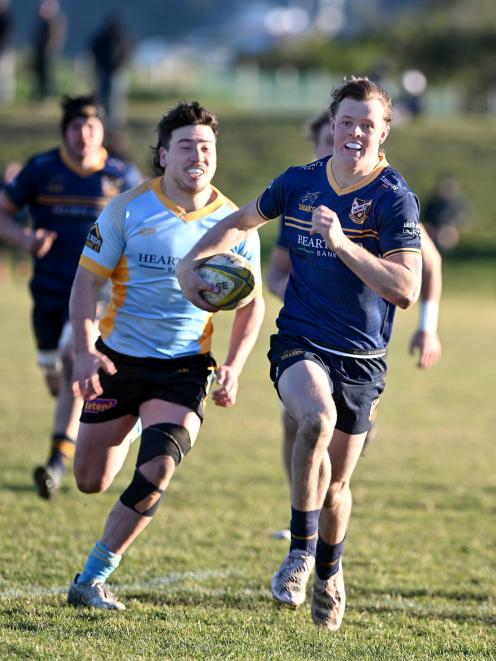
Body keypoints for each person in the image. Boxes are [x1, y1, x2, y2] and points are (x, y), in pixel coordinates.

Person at [177, 77, 422, 632]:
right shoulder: (297, 183)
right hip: (300, 342)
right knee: (315, 417)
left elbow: (405, 288)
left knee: (337, 485)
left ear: (383, 133)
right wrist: (190, 263)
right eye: (347, 121)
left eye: (368, 124)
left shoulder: (393, 198)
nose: (355, 132)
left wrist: (342, 244)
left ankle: (329, 572)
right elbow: (239, 222)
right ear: (331, 124)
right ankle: (299, 551)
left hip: (362, 357)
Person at [65, 100, 264, 610]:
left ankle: (93, 577)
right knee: (90, 481)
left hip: (184, 367)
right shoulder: (129, 208)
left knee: (159, 466)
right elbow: (86, 282)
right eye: (185, 146)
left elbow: (252, 306)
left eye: (206, 146)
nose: (197, 154)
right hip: (118, 360)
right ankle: (132, 423)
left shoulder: (235, 222)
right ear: (162, 155)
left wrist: (235, 367)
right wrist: (86, 352)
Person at [267, 111, 442, 540]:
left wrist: (428, 325)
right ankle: (299, 523)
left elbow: (426, 267)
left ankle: (323, 515)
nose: (336, 146)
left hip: (357, 348)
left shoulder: (387, 199)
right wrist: (303, 291)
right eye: (326, 139)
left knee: (332, 455)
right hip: (306, 336)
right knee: (302, 423)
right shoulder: (303, 196)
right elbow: (276, 271)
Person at [0, 93, 142, 499]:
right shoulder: (41, 170)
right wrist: (24, 237)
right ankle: (70, 430)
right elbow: (3, 212)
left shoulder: (122, 177)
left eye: (91, 127)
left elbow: (149, 223)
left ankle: (57, 463)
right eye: (76, 127)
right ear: (65, 131)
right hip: (47, 293)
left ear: (102, 132)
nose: (83, 135)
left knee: (70, 360)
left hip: (98, 295)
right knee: (56, 372)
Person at [88, 14, 132, 131]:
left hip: (117, 72)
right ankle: (104, 119)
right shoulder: (103, 37)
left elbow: (126, 52)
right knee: (104, 98)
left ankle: (115, 122)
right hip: (104, 72)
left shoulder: (121, 38)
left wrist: (120, 64)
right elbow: (93, 48)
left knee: (116, 98)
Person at [422, 174, 475, 253]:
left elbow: (465, 222)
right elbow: (425, 218)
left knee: (447, 233)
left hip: (449, 230)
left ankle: (446, 251)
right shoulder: (433, 202)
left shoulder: (459, 204)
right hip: (434, 229)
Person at [31, 0, 66, 101]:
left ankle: (47, 95)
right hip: (41, 53)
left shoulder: (55, 21)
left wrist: (48, 50)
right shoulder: (43, 21)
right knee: (39, 75)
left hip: (48, 54)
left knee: (47, 76)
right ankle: (41, 94)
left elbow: (55, 39)